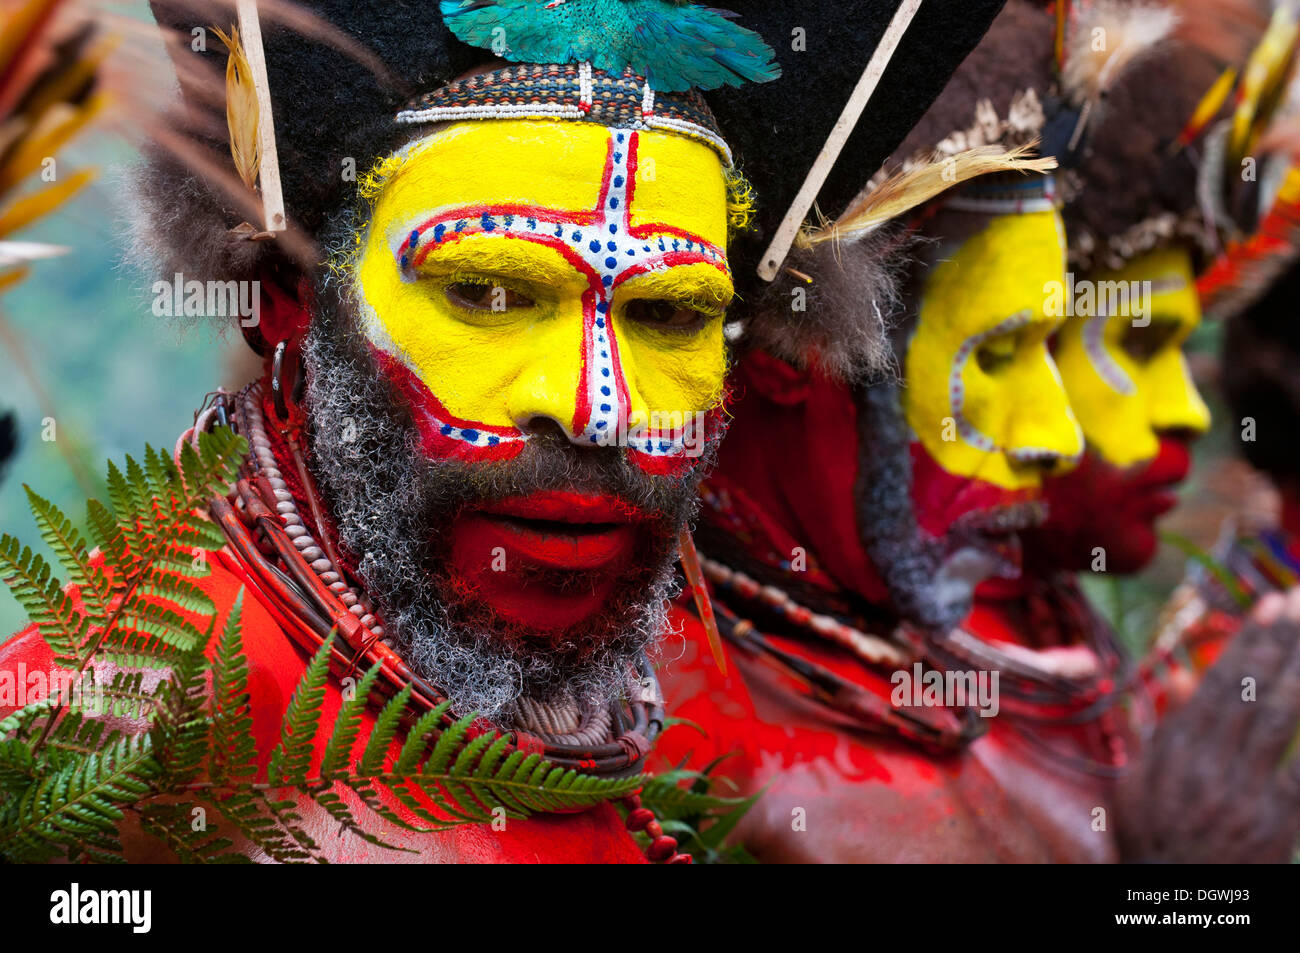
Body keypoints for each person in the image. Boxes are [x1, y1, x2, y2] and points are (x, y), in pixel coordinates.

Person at [0, 0, 1003, 862]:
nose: (599, 406)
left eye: (667, 313)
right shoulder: (95, 750)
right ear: (288, 300)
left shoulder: (683, 736)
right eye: (487, 292)